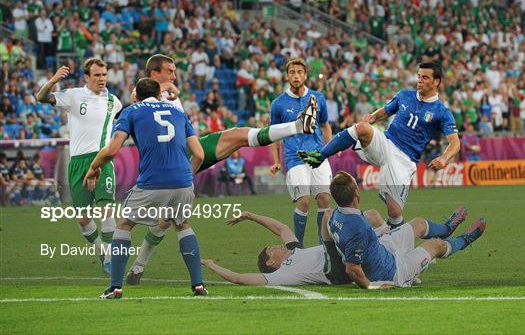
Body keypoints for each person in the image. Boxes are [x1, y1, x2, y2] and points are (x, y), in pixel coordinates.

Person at [125, 54, 318, 285]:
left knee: (237, 135)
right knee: (166, 221)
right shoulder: (141, 95)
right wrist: (162, 89)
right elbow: (133, 110)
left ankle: (298, 125)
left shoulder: (171, 93)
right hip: (167, 161)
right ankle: (137, 266)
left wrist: (168, 89)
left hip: (189, 149)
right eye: (169, 71)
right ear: (154, 73)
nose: (174, 76)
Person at [83, 78, 205, 299]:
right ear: (159, 95)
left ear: (136, 95)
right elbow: (199, 154)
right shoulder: (178, 111)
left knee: (125, 224)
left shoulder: (131, 111)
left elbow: (111, 151)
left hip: (152, 182)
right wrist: (186, 177)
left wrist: (93, 168)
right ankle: (198, 285)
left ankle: (115, 287)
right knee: (182, 224)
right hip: (183, 182)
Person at [299, 62, 460, 228]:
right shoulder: (404, 95)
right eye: (419, 76)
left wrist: (444, 158)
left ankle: (396, 242)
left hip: (404, 159)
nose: (419, 80)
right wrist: (373, 117)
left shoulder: (442, 112)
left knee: (395, 212)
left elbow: (455, 142)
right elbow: (386, 110)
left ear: (436, 82)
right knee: (362, 128)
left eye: (425, 77)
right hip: (386, 142)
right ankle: (320, 156)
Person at [326, 171, 486, 288]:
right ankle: (465, 240)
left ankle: (447, 228)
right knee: (436, 244)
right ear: (356, 193)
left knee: (419, 223)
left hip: (384, 249)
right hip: (393, 273)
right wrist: (372, 286)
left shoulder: (335, 215)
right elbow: (352, 268)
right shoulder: (357, 227)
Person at [36, 58, 123, 273]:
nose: (102, 79)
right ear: (87, 77)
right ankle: (102, 250)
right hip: (78, 162)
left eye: (104, 75)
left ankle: (112, 260)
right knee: (84, 219)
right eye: (97, 75)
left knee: (106, 210)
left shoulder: (115, 102)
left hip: (102, 159)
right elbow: (41, 98)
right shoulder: (74, 95)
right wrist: (53, 81)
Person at [270, 57, 332, 246]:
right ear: (287, 76)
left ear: (305, 75)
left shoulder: (317, 98)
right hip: (294, 157)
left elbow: (325, 125)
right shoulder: (278, 104)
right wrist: (276, 161)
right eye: (292, 73)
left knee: (324, 200)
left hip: (317, 155)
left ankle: (324, 247)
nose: (296, 76)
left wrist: (328, 149)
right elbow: (273, 135)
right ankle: (299, 247)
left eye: (299, 72)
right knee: (304, 201)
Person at [201, 210, 354, 286]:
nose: (278, 245)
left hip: (337, 253)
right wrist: (211, 264)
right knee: (328, 216)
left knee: (371, 216)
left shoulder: (295, 250)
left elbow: (281, 228)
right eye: (272, 249)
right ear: (270, 262)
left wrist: (251, 216)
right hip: (333, 270)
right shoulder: (280, 274)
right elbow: (237, 278)